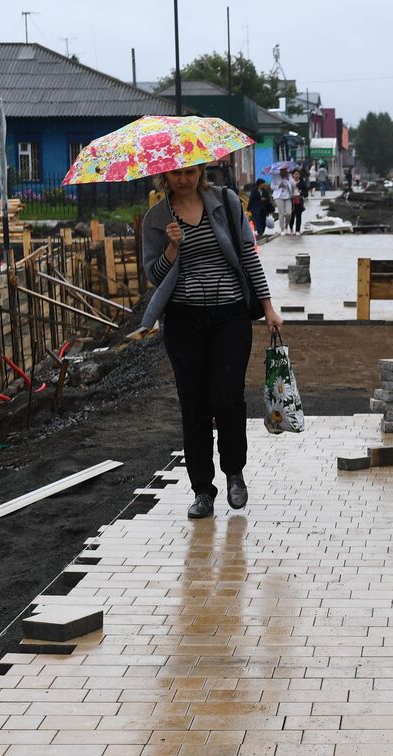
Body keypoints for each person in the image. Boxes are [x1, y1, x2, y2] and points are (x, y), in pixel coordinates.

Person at [140, 163, 284, 519]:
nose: (183, 179)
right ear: (164, 176)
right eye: (176, 174)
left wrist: (268, 308)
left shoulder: (226, 202)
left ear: (201, 170)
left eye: (190, 172)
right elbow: (154, 276)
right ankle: (202, 490)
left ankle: (234, 473)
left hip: (230, 316)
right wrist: (171, 248)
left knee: (227, 397)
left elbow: (248, 254)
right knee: (194, 405)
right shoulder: (155, 219)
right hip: (183, 321)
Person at [272, 167, 295, 235]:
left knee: (289, 213)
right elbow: (272, 186)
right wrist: (279, 186)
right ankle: (282, 228)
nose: (284, 172)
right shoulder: (275, 176)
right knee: (281, 213)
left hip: (288, 196)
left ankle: (286, 225)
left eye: (285, 170)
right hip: (278, 196)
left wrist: (288, 179)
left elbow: (293, 184)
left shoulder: (289, 176)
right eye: (282, 170)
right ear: (280, 171)